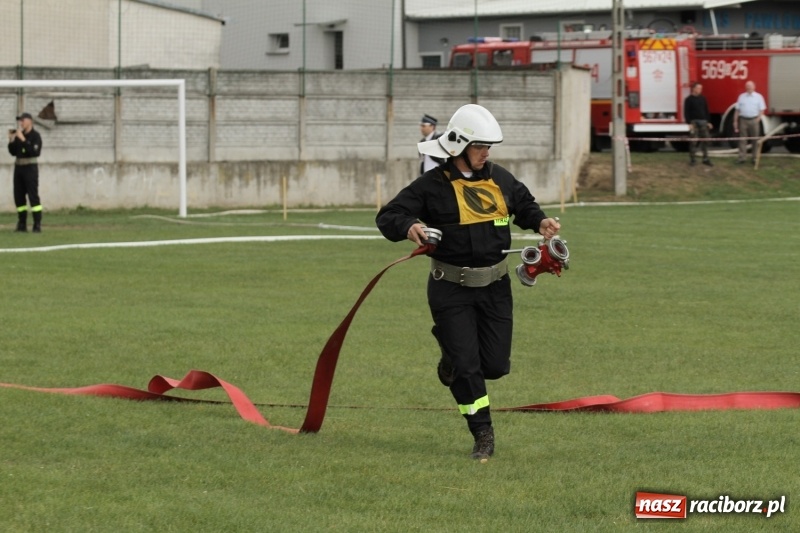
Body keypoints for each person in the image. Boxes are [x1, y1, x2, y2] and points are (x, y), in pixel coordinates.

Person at [376, 104, 561, 460]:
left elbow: (523, 204)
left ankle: (449, 355)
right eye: (480, 146)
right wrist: (409, 227)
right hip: (451, 290)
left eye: (489, 147)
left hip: (496, 288)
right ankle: (482, 432)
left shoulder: (500, 178)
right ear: (459, 146)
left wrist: (540, 222)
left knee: (495, 366)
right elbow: (389, 215)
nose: (486, 153)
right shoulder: (431, 186)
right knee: (467, 367)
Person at [7, 112, 43, 232]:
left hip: (30, 168)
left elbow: (34, 152)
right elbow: (13, 152)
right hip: (19, 168)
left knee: (33, 196)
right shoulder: (19, 135)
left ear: (30, 121)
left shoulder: (35, 136)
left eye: (23, 120)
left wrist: (23, 140)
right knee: (19, 197)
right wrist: (11, 140)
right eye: (20, 121)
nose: (21, 123)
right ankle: (22, 223)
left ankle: (37, 224)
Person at [732, 80, 766, 165]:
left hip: (754, 120)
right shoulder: (741, 97)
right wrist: (735, 121)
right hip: (743, 120)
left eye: (750, 86)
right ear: (745, 87)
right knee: (742, 140)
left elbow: (762, 109)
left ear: (754, 87)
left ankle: (754, 158)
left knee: (755, 140)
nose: (749, 88)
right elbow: (737, 110)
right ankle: (742, 158)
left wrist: (758, 119)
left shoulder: (759, 97)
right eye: (747, 86)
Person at [683, 82, 713, 167]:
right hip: (694, 122)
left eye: (701, 88)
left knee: (706, 140)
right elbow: (686, 112)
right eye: (698, 88)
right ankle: (693, 159)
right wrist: (689, 123)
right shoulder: (688, 99)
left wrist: (708, 122)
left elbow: (706, 110)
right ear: (694, 89)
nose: (700, 90)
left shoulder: (703, 98)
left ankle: (705, 158)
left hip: (703, 121)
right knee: (693, 141)